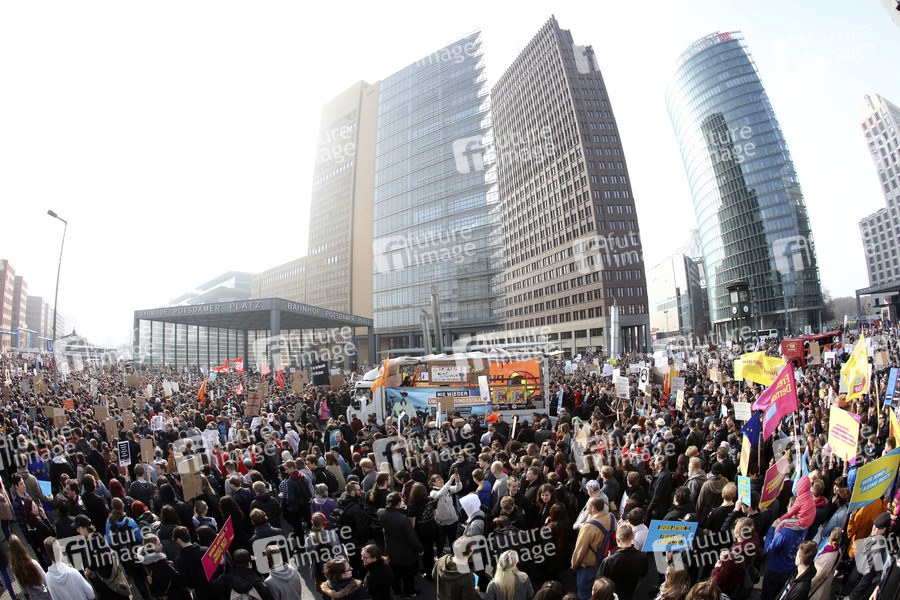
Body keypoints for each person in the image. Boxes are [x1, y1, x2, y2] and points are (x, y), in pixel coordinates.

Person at [379, 492, 423, 598]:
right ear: (399, 503)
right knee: (408, 576)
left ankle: (397, 591)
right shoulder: (403, 519)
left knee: (395, 574)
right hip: (405, 552)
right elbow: (412, 536)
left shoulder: (381, 513)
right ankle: (409, 592)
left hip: (390, 550)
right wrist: (420, 549)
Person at [572, 497, 615, 600]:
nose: (586, 508)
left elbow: (580, 550)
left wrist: (574, 564)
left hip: (588, 564)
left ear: (593, 508)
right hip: (604, 559)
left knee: (584, 592)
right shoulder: (611, 517)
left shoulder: (587, 527)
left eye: (588, 506)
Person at [598, 523, 648, 600]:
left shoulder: (609, 561)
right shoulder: (643, 557)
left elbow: (600, 581)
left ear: (617, 539)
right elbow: (643, 574)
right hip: (631, 593)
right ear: (633, 536)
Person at [134, 534, 191, 600]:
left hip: (161, 594)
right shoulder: (162, 564)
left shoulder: (144, 561)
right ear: (152, 547)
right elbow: (177, 578)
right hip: (175, 593)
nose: (161, 545)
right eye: (158, 544)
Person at [9, 534, 50, 600]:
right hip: (44, 594)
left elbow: (23, 590)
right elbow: (45, 579)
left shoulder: (15, 569)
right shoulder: (33, 563)